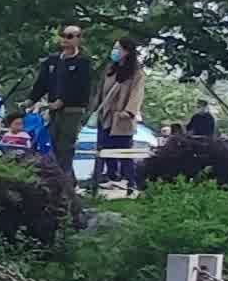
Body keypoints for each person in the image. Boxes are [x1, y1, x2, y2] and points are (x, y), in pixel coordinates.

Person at [28, 23, 98, 223]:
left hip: (72, 111)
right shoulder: (52, 61)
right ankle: (63, 183)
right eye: (64, 35)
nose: (66, 39)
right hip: (52, 111)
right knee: (50, 148)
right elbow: (42, 83)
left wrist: (64, 101)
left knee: (65, 148)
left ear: (78, 39)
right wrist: (31, 99)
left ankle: (65, 190)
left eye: (71, 36)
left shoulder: (83, 63)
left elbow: (83, 89)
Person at [97, 33, 146, 193]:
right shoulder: (110, 69)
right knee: (105, 149)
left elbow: (137, 94)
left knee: (124, 151)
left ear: (127, 51)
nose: (115, 51)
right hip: (106, 116)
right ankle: (112, 177)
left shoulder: (136, 73)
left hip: (122, 117)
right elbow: (101, 91)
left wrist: (129, 111)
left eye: (118, 48)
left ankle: (129, 181)